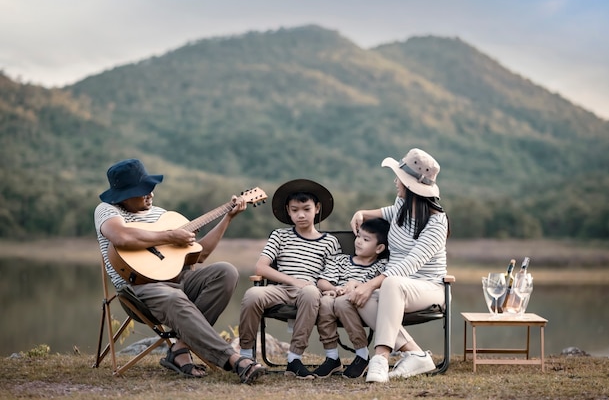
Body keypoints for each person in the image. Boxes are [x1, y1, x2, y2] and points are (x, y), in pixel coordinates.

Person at [94, 158, 266, 384]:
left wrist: (228, 217)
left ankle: (180, 349)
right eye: (143, 191)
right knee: (174, 297)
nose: (150, 195)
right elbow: (121, 237)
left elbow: (201, 254)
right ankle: (235, 360)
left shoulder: (164, 216)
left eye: (151, 189)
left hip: (180, 280)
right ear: (124, 195)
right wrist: (169, 236)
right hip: (139, 290)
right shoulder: (107, 210)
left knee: (226, 271)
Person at [348, 148, 450, 383]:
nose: (396, 182)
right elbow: (388, 212)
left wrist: (371, 284)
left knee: (386, 285)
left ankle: (380, 358)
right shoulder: (402, 205)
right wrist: (361, 212)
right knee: (358, 297)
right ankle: (415, 353)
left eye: (400, 178)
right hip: (393, 286)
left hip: (428, 288)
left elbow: (409, 265)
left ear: (412, 187)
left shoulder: (436, 223)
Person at [238, 179, 340, 379]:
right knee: (252, 294)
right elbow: (261, 267)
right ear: (288, 211)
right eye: (294, 210)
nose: (300, 214)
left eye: (306, 209)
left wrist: (323, 287)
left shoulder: (329, 242)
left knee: (310, 291)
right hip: (282, 289)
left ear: (317, 208)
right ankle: (245, 357)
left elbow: (330, 275)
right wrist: (293, 281)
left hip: (310, 292)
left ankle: (294, 359)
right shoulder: (280, 235)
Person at [313, 217, 390, 379]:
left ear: (379, 248)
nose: (359, 242)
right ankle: (332, 356)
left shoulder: (381, 266)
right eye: (358, 236)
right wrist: (334, 289)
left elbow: (379, 287)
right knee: (325, 301)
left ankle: (362, 355)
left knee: (341, 302)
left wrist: (354, 285)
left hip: (358, 305)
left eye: (366, 239)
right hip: (335, 298)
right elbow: (322, 281)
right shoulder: (341, 260)